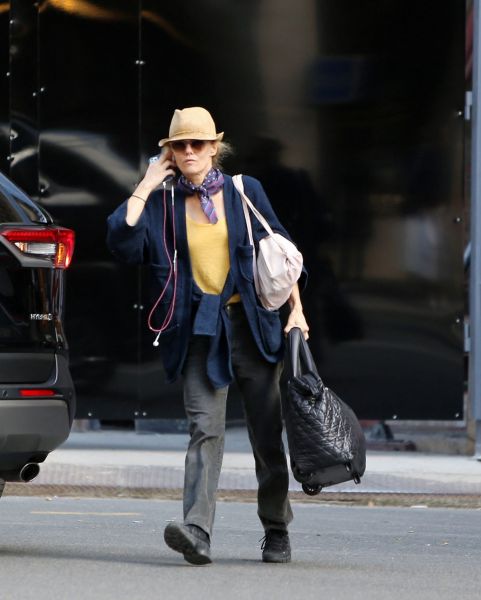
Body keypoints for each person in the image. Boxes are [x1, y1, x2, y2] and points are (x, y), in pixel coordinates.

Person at [106, 107, 309, 565]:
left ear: (215, 147)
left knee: (266, 433)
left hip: (252, 327)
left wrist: (297, 314)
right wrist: (146, 184)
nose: (190, 151)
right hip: (198, 331)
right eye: (180, 145)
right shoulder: (161, 204)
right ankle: (196, 531)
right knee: (204, 430)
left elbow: (280, 251)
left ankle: (276, 528)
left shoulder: (244, 191)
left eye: (199, 143)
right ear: (170, 153)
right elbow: (121, 242)